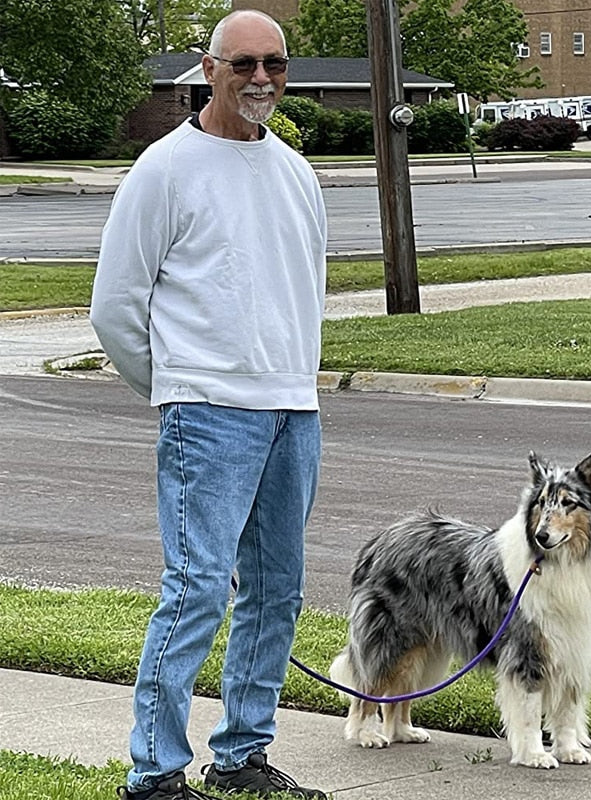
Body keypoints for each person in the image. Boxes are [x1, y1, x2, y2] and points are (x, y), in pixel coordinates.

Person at [90, 10, 328, 800]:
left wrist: (293, 383)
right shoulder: (164, 169)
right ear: (209, 67)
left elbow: (304, 297)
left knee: (276, 590)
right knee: (196, 588)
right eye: (244, 64)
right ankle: (154, 773)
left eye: (276, 65)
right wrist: (174, 388)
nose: (261, 78)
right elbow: (116, 307)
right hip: (207, 412)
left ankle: (241, 756)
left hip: (293, 410)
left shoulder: (297, 174)